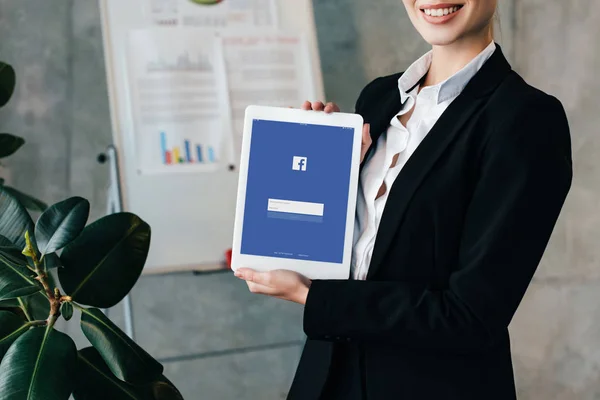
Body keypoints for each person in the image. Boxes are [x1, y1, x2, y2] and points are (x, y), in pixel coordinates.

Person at [234, 0, 573, 399]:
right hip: (326, 379)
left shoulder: (526, 119)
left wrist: (311, 297)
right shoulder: (378, 98)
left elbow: (471, 317)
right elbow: (361, 258)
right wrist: (323, 171)